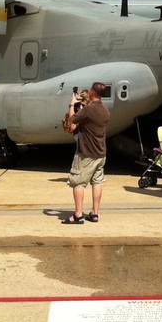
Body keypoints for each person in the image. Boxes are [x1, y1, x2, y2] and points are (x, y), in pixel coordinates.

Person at [63, 82, 110, 224]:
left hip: (86, 153)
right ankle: (95, 213)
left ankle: (78, 215)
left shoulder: (88, 110)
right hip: (101, 153)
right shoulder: (105, 111)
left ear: (93, 92)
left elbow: (71, 121)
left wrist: (72, 104)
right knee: (97, 182)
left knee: (78, 182)